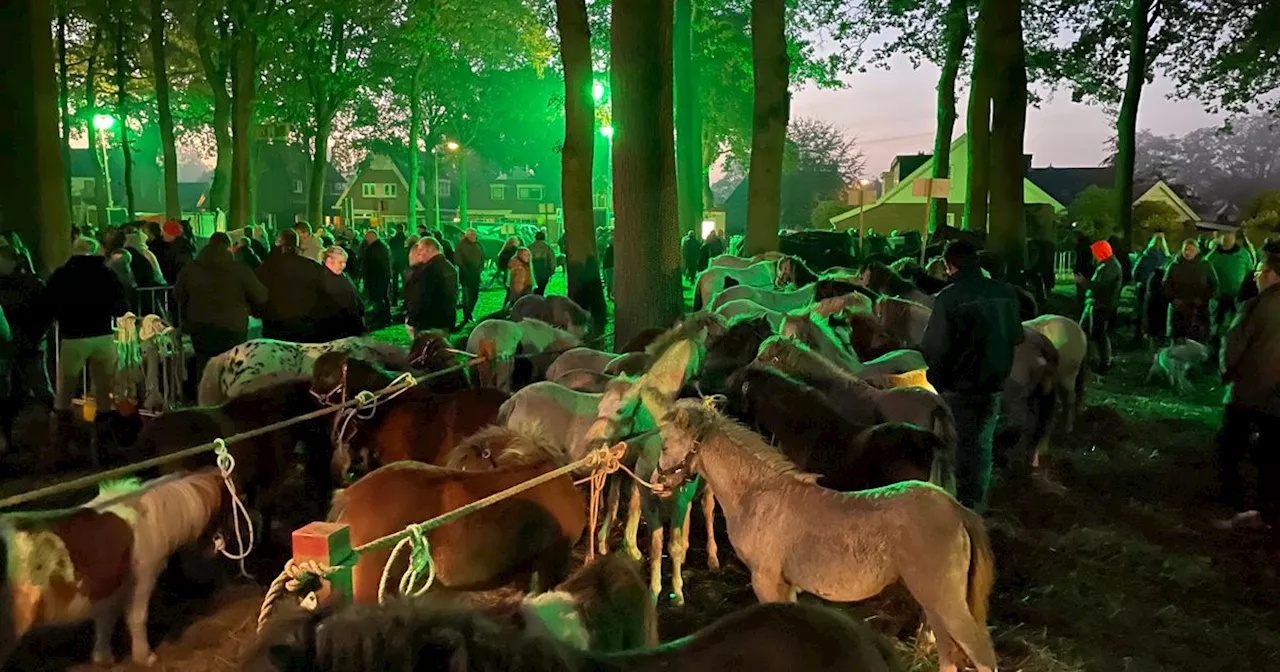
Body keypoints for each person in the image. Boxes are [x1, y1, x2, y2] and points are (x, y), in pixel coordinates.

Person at [920, 240, 1024, 513]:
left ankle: (953, 508)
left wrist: (937, 380)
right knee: (981, 445)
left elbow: (933, 346)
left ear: (948, 265)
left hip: (957, 387)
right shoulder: (1004, 292)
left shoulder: (948, 298)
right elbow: (1017, 336)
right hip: (993, 386)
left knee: (952, 448)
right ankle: (976, 506)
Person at [46, 237, 130, 463]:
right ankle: (104, 447)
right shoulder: (107, 274)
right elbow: (121, 306)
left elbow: (49, 304)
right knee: (105, 392)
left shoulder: (62, 275)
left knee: (65, 391)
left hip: (72, 337)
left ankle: (62, 448)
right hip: (102, 335)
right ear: (95, 251)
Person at [1213, 251, 1280, 531]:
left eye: (1260, 271)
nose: (1256, 276)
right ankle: (1267, 510)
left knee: (1231, 446)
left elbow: (1234, 345)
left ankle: (1238, 504)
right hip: (1277, 396)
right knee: (1271, 453)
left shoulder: (1256, 306)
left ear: (1273, 275)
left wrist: (1226, 373)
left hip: (1250, 388)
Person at [175, 232, 268, 391]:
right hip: (232, 326)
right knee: (231, 366)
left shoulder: (191, 268)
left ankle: (204, 401)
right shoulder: (239, 269)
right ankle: (228, 402)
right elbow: (261, 295)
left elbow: (177, 294)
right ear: (229, 247)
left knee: (204, 366)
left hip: (200, 325)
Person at [0, 247, 53, 454]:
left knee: (39, 388)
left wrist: (35, 337)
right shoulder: (23, 284)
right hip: (10, 347)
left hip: (28, 345)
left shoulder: (31, 284)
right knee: (13, 393)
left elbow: (45, 314)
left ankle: (57, 429)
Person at [255, 229, 333, 342]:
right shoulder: (313, 267)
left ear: (279, 244)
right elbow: (325, 293)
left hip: (274, 324)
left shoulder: (267, 267)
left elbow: (257, 292)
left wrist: (260, 312)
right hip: (306, 324)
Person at [1080, 239, 1123, 373]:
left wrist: (1084, 282)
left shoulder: (1110, 267)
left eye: (1095, 252)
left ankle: (1104, 362)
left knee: (1098, 334)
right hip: (1094, 304)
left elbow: (1101, 288)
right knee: (1085, 331)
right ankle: (1088, 359)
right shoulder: (1106, 265)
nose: (1094, 255)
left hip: (1101, 305)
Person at [1164, 238, 1218, 343]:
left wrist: (1203, 299)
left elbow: (1213, 285)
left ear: (1197, 251)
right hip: (1178, 308)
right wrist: (1173, 298)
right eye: (1186, 250)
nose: (1188, 253)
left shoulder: (1205, 266)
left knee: (1198, 338)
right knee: (1178, 338)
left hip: (1198, 309)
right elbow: (1166, 284)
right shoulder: (1174, 266)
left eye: (1191, 250)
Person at [1206, 230, 1254, 347]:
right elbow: (1205, 273)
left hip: (1238, 296)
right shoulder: (1213, 255)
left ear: (1233, 239)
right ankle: (1214, 345)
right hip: (1219, 296)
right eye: (1224, 238)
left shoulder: (1243, 254)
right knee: (1216, 322)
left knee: (1236, 323)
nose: (1226, 241)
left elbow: (1250, 273)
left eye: (1229, 238)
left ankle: (1232, 345)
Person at [403, 237, 458, 336]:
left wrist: (412, 319)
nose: (418, 254)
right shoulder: (449, 266)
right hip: (445, 321)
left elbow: (420, 298)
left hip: (428, 323)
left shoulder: (428, 270)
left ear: (429, 250)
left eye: (420, 250)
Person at [317, 246, 367, 340]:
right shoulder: (321, 279)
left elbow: (354, 296)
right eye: (340, 262)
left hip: (351, 326)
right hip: (336, 330)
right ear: (329, 260)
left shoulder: (344, 275)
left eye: (344, 262)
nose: (343, 265)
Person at [1132, 233, 1170, 344]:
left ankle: (1139, 335)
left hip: (1144, 287)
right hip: (1159, 291)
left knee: (1141, 312)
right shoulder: (1166, 258)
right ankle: (1157, 336)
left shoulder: (1145, 256)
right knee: (1157, 313)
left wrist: (1138, 282)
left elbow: (1135, 271)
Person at [361, 229, 392, 326]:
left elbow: (374, 264)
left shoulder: (376, 248)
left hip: (377, 277)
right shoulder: (379, 246)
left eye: (367, 237)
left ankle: (382, 318)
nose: (365, 239)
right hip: (379, 276)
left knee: (380, 297)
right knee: (381, 297)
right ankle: (382, 317)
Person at [454, 227, 486, 323]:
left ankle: (470, 312)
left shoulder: (478, 245)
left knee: (474, 295)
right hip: (466, 275)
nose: (473, 236)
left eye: (474, 235)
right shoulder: (461, 245)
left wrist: (480, 268)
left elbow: (482, 257)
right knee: (467, 296)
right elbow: (457, 258)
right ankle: (467, 316)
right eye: (470, 235)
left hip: (476, 274)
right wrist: (464, 268)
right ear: (467, 235)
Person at [151, 219, 193, 286]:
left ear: (170, 233)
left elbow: (180, 268)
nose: (162, 234)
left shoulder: (181, 249)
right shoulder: (179, 246)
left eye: (164, 231)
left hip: (174, 285)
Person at [1072, 232, 1096, 317]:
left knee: (1080, 293)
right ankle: (1084, 310)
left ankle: (1080, 311)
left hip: (1081, 272)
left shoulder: (1079, 248)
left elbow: (1078, 261)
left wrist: (1076, 271)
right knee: (1086, 292)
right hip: (1088, 272)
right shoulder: (1090, 247)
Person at [529, 230, 557, 295]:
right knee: (541, 289)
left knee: (533, 290)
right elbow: (552, 260)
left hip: (532, 271)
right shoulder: (547, 248)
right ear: (544, 237)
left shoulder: (530, 247)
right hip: (544, 271)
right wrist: (552, 271)